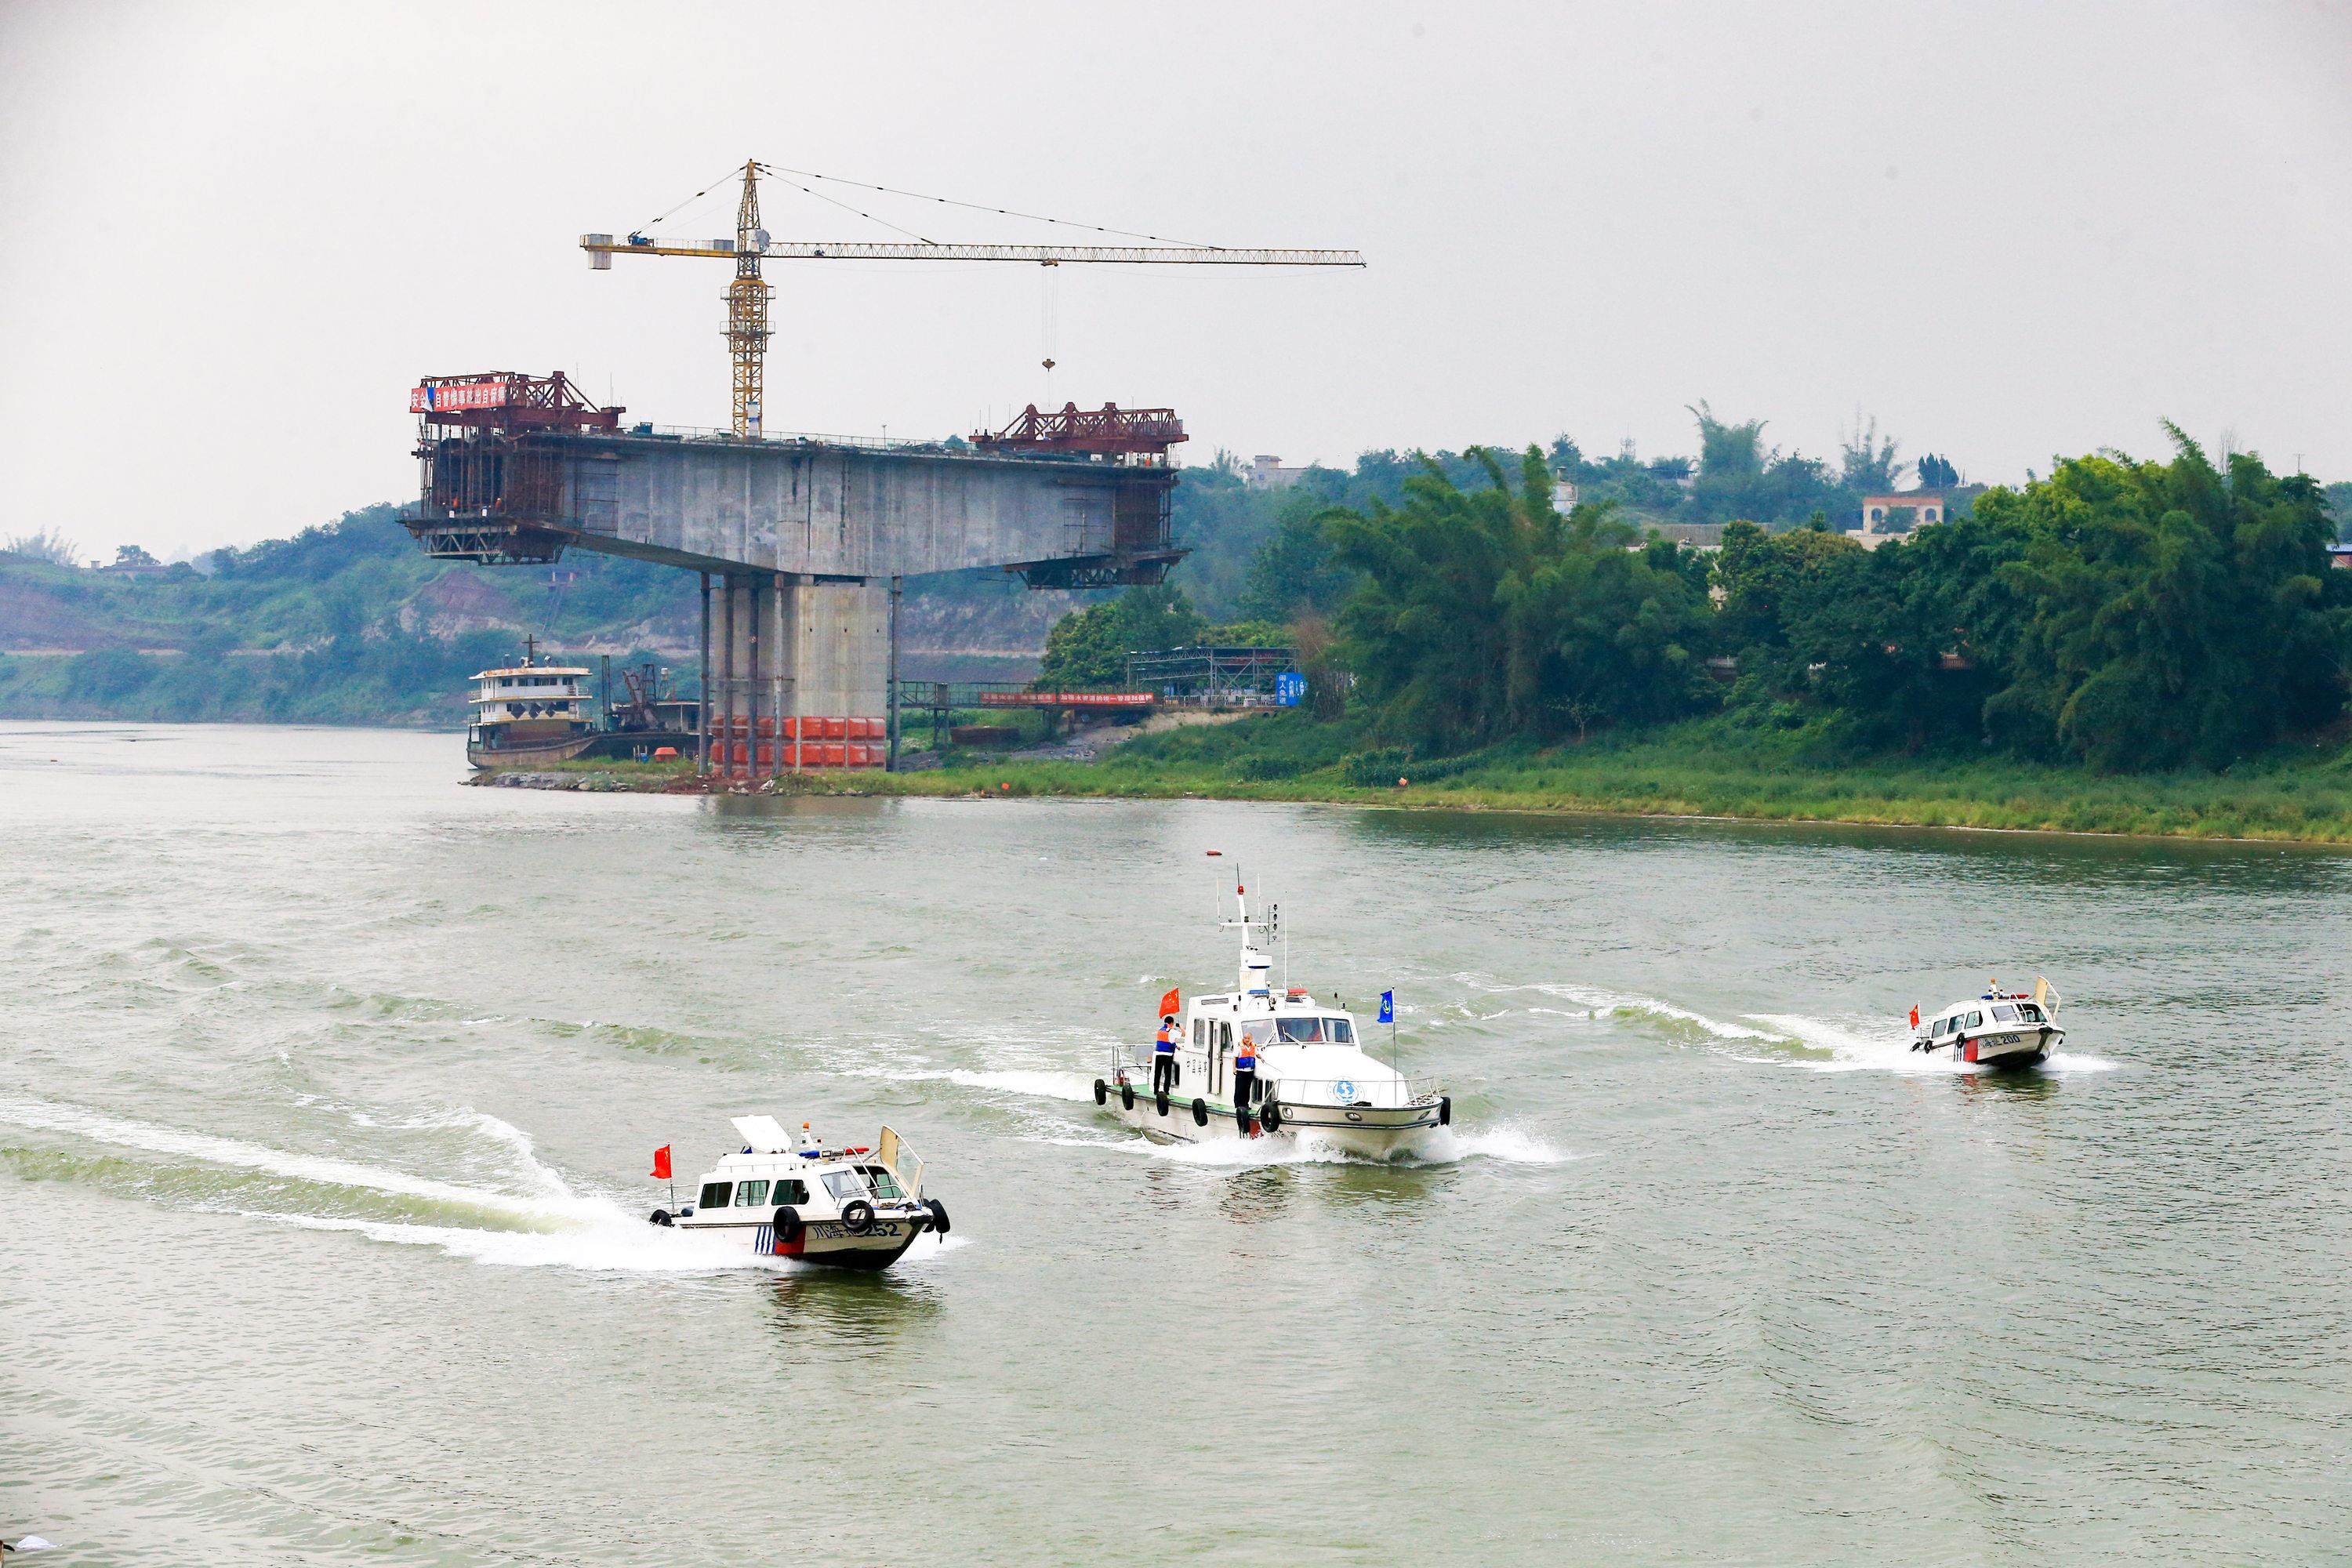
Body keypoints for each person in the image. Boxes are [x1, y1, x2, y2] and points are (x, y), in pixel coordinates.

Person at [1232, 1029, 1260, 1118]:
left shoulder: (1253, 1046)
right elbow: (1235, 1058)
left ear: (1251, 1038)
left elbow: (1257, 1054)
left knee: (1247, 1088)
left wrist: (1262, 1058)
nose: (1246, 1040)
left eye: (1248, 1038)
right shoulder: (1239, 1046)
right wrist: (1234, 1069)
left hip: (1250, 1071)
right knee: (1239, 1088)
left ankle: (1245, 1104)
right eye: (1245, 1038)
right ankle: (1238, 1104)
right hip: (1241, 1071)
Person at [1152, 1014, 1179, 1096]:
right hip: (1168, 1055)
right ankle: (1166, 1091)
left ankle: (1155, 1090)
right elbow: (1172, 1043)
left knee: (1157, 1073)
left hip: (1159, 1054)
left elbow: (1164, 1041)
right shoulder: (1171, 1031)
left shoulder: (1160, 1030)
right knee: (1168, 1074)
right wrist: (1176, 1046)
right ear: (1171, 1023)